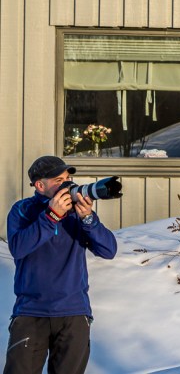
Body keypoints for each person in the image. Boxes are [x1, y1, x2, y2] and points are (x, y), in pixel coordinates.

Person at [4, 156, 117, 374]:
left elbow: (109, 250)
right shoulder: (23, 210)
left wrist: (88, 219)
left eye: (68, 178)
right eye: (58, 179)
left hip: (73, 313)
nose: (66, 184)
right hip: (31, 313)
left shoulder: (77, 213)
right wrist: (51, 216)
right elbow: (18, 248)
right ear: (40, 185)